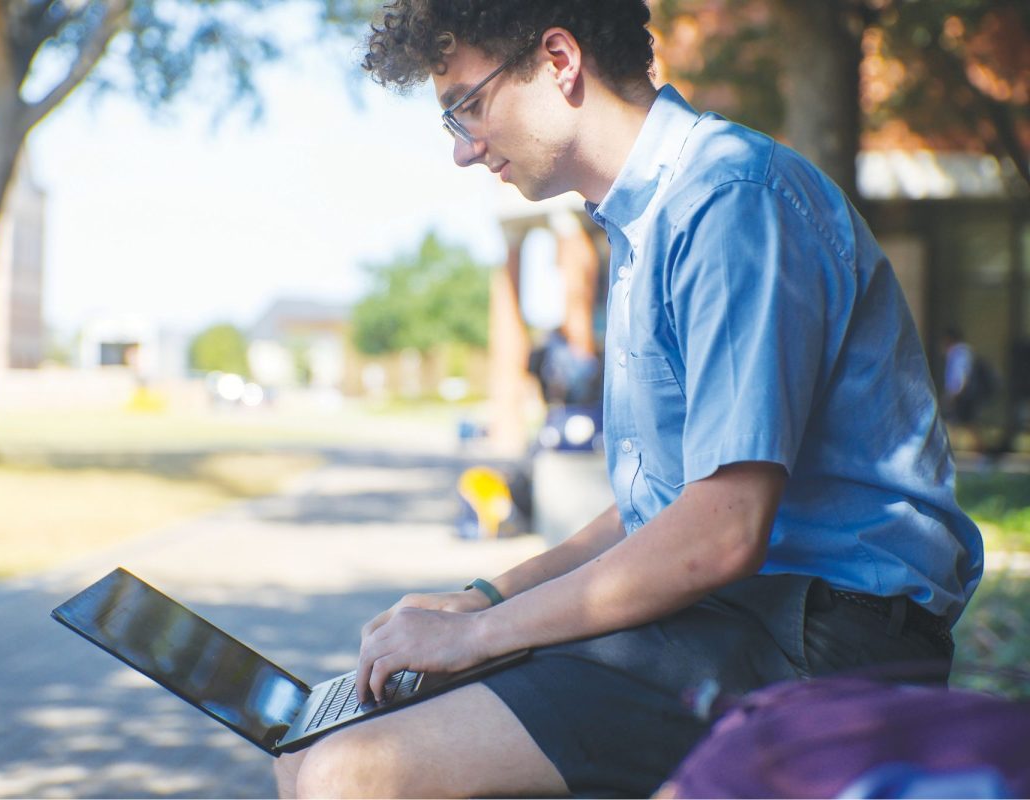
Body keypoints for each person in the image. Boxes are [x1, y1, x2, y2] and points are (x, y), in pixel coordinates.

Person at [274, 2, 984, 796]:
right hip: (732, 615)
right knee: (310, 747)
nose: (465, 150)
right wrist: (478, 601)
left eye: (467, 106)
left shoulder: (730, 202)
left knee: (354, 772)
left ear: (559, 60)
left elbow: (718, 533)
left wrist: (478, 638)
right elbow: (659, 505)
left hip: (821, 635)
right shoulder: (644, 222)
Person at [940, 327, 994, 453]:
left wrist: (953, 394)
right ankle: (974, 451)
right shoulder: (966, 351)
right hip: (966, 395)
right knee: (965, 423)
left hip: (961, 395)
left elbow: (960, 375)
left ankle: (952, 452)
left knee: (957, 423)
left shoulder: (958, 353)